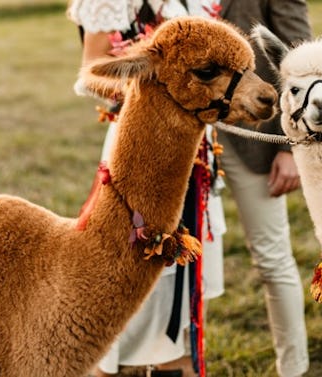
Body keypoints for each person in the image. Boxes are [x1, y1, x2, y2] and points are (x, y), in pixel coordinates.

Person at [67, 1, 226, 376]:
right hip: (139, 144)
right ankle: (114, 361)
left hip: (193, 147)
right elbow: (92, 74)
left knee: (185, 267)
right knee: (134, 258)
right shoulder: (106, 4)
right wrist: (157, 90)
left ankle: (178, 359)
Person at [215, 1, 312, 377]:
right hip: (184, 137)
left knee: (272, 257)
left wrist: (291, 147)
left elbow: (300, 59)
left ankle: (294, 368)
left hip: (254, 136)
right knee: (176, 261)